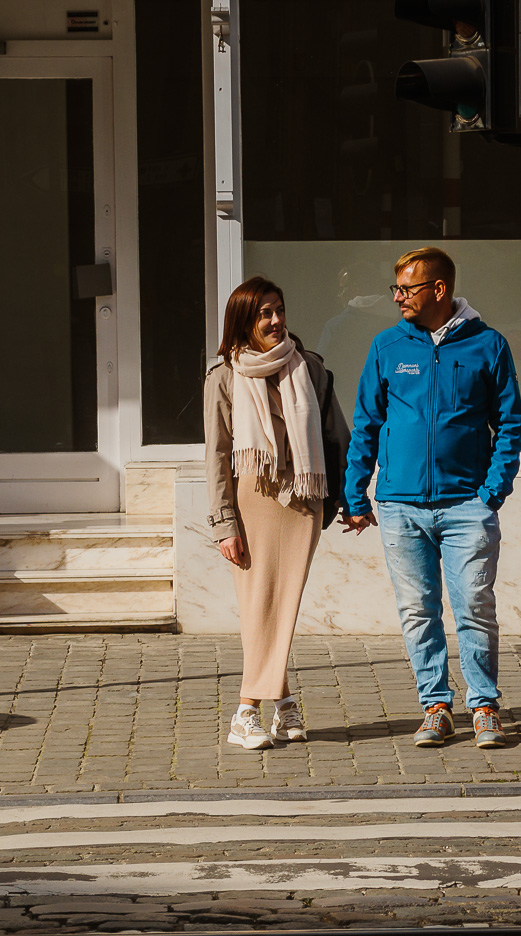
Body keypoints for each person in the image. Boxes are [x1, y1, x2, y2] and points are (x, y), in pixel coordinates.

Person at [342, 247, 521, 749]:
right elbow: (366, 424)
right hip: (400, 505)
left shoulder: (488, 345)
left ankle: (484, 706)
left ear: (438, 290)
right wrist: (355, 493)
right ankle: (436, 707)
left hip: (467, 504)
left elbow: (509, 425)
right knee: (418, 611)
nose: (398, 296)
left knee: (474, 606)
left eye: (407, 288)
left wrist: (491, 492)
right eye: (396, 287)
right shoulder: (387, 346)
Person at [204, 276, 350, 750]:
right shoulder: (223, 376)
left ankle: (280, 708)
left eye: (279, 310)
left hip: (303, 500)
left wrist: (350, 498)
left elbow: (336, 438)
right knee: (260, 607)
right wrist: (224, 523)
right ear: (244, 321)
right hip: (253, 501)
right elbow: (217, 457)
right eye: (264, 313)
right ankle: (248, 711)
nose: (275, 320)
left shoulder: (309, 366)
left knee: (278, 606)